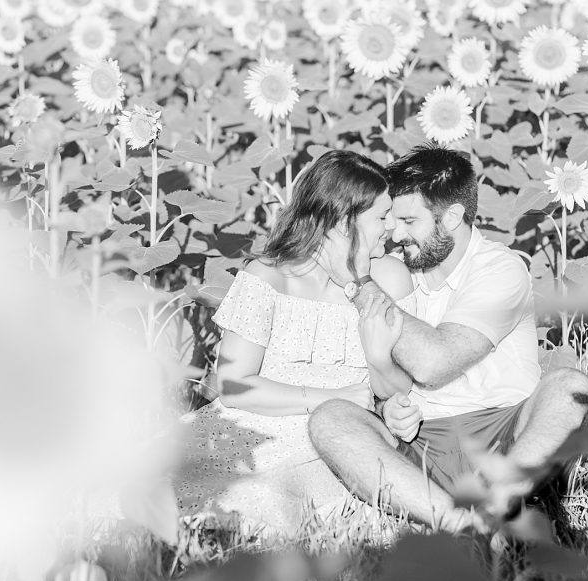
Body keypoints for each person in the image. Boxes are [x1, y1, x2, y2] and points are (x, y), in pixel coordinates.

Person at [307, 144, 588, 533]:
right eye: (391, 219)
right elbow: (379, 366)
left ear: (453, 216)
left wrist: (358, 284)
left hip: (506, 432)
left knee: (569, 385)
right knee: (330, 419)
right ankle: (458, 521)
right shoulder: (395, 273)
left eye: (409, 220)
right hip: (422, 443)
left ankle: (500, 498)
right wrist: (388, 406)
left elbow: (434, 364)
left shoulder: (501, 269)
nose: (395, 233)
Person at [174, 150, 418, 535]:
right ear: (342, 221)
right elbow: (234, 386)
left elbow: (399, 383)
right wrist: (327, 397)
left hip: (337, 437)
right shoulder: (269, 277)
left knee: (272, 499)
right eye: (380, 217)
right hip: (252, 422)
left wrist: (388, 404)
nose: (390, 228)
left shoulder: (390, 277)